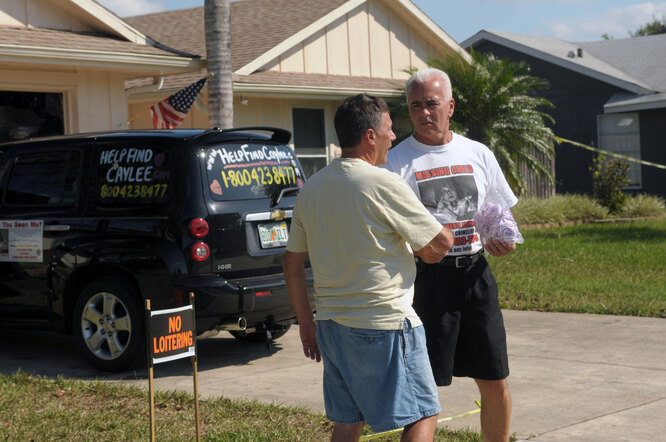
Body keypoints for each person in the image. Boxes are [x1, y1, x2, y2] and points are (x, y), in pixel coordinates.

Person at [282, 93, 454, 442]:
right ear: (370, 136)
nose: (394, 137)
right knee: (424, 414)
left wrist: (305, 323)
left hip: (331, 325)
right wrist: (439, 242)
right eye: (389, 130)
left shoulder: (312, 188)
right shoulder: (384, 182)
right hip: (384, 322)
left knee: (349, 420)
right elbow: (439, 244)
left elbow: (291, 261)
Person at [383, 68, 517, 442]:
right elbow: (387, 232)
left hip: (476, 275)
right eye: (415, 106)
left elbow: (500, 216)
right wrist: (416, 249)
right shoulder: (395, 163)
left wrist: (505, 241)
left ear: (451, 107)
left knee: (495, 381)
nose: (424, 113)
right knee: (423, 391)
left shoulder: (478, 153)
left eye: (432, 104)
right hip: (428, 284)